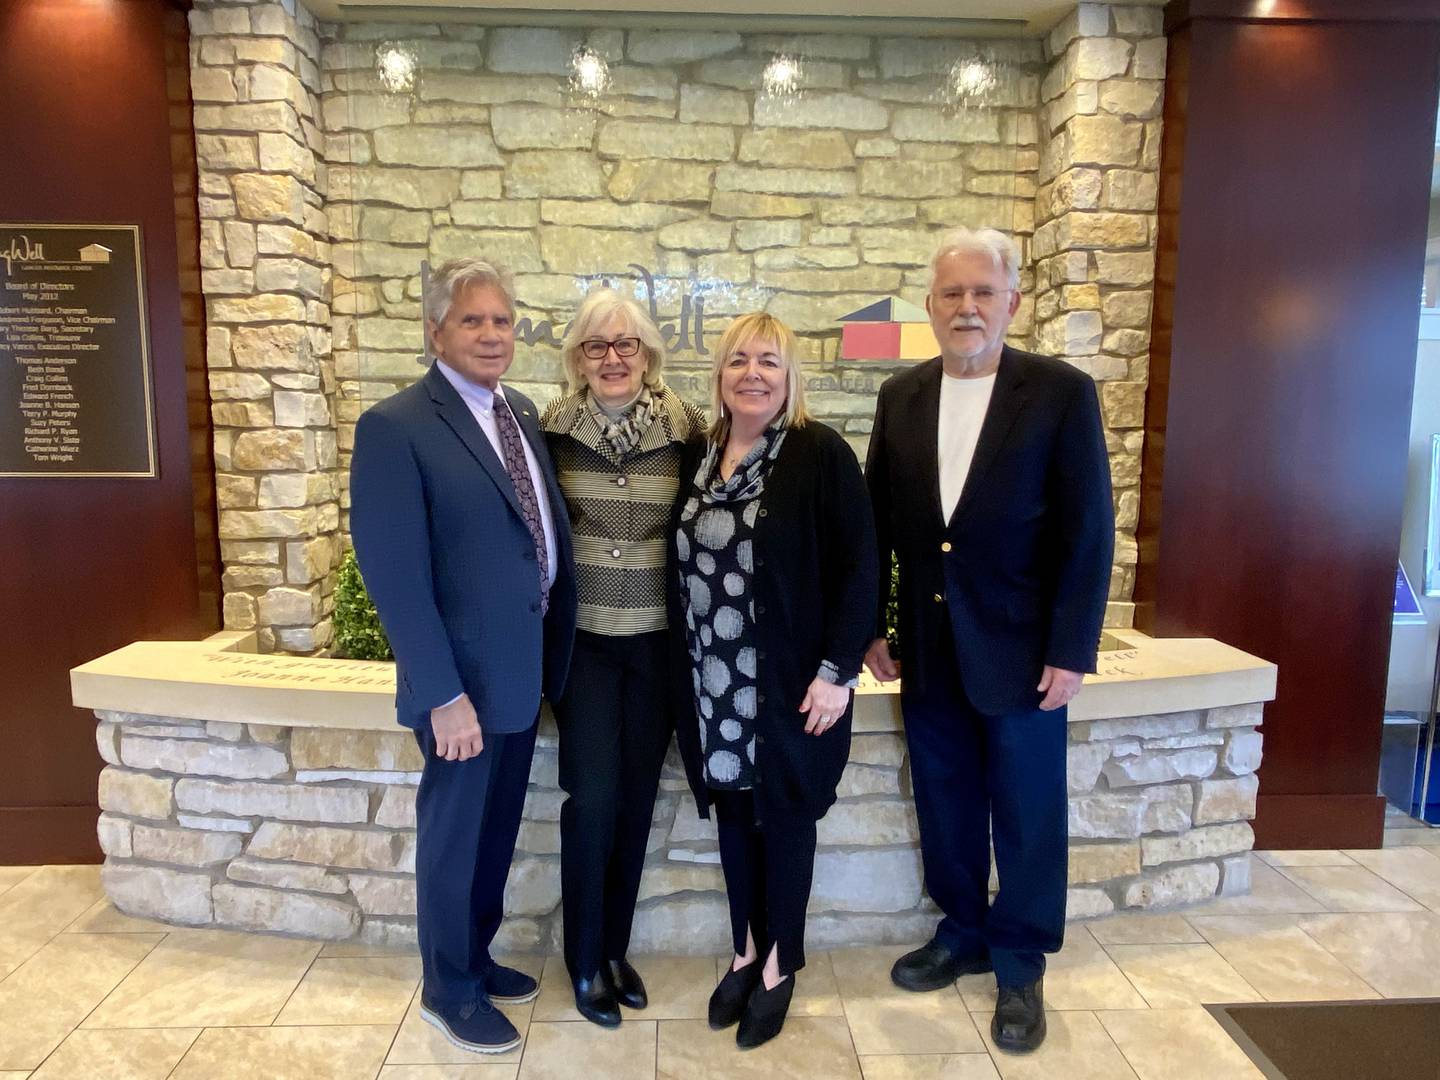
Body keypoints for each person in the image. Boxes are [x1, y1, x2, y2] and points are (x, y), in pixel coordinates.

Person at [864, 228, 1114, 1053]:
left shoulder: (1060, 393)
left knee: (1028, 811)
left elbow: (1088, 533)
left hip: (1024, 652)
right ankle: (962, 930)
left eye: (982, 293)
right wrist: (877, 625)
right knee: (946, 801)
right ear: (930, 307)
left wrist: (1072, 648)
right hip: (931, 651)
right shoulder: (899, 397)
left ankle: (1020, 961)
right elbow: (879, 531)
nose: (966, 308)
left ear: (1012, 301)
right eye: (951, 295)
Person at [349, 258, 578, 1055]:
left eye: (502, 320)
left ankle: (476, 958)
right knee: (454, 839)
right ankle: (448, 990)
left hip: (519, 673)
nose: (491, 334)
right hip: (461, 687)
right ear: (434, 331)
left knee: (495, 832)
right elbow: (394, 575)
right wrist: (442, 693)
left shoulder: (515, 408)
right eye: (473, 320)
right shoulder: (396, 426)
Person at [669, 312, 878, 1050]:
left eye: (768, 361)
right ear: (719, 376)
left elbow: (862, 568)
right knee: (734, 820)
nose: (751, 374)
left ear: (790, 377)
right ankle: (745, 950)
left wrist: (837, 673)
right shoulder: (700, 452)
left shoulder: (819, 453)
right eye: (737, 361)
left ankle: (782, 961)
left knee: (785, 822)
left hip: (793, 685)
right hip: (713, 683)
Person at [540, 289, 706, 1027]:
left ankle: (613, 950)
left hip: (658, 643)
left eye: (625, 346)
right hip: (587, 646)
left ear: (648, 355)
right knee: (594, 799)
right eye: (596, 347)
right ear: (577, 358)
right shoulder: (548, 429)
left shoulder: (688, 429)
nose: (612, 359)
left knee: (638, 801)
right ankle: (581, 961)